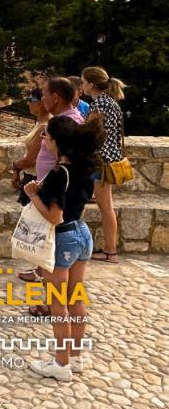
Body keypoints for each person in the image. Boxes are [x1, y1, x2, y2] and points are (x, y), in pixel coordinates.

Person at [24, 114, 104, 382]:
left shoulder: (60, 173)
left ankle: (60, 364)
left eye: (46, 135)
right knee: (76, 299)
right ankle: (76, 356)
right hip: (82, 233)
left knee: (58, 305)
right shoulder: (84, 167)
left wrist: (33, 194)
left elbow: (54, 216)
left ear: (56, 141)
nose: (43, 139)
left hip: (62, 238)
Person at [17, 77, 84, 287]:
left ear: (55, 98)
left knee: (53, 246)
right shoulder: (69, 118)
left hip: (55, 191)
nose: (42, 98)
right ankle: (42, 276)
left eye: (44, 94)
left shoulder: (63, 124)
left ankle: (51, 302)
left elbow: (65, 160)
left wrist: (34, 193)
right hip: (57, 190)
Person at [81, 66, 127, 264]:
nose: (81, 85)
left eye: (83, 82)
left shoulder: (99, 105)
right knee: (105, 206)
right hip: (108, 160)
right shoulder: (110, 102)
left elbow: (89, 134)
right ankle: (109, 250)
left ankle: (110, 252)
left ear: (91, 84)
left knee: (106, 207)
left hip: (100, 162)